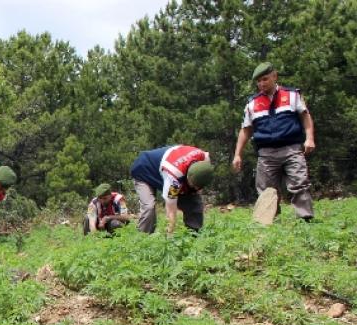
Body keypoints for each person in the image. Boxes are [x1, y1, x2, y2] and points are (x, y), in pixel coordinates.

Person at [232, 62, 315, 221]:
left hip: (292, 149)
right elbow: (246, 130)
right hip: (266, 153)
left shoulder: (292, 95)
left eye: (265, 79)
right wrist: (237, 155)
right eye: (258, 81)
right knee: (266, 191)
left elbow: (305, 116)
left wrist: (310, 138)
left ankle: (306, 220)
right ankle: (268, 221)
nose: (261, 84)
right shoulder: (252, 103)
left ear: (274, 76)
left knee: (300, 184)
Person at [130, 145, 214, 235]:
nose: (196, 189)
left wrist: (195, 188)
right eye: (193, 184)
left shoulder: (204, 159)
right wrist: (170, 235)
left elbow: (206, 156)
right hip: (143, 171)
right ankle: (143, 239)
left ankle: (194, 236)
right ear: (188, 176)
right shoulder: (174, 180)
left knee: (194, 200)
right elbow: (171, 210)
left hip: (163, 167)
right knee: (149, 207)